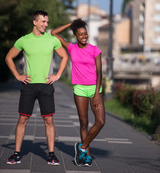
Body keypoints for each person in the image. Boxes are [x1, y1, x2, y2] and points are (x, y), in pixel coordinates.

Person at [5, 10, 68, 165]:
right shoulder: (24, 40)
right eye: (43, 22)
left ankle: (51, 155)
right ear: (35, 22)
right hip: (28, 86)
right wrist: (18, 75)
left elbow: (65, 56)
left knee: (49, 120)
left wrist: (58, 75)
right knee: (22, 119)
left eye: (46, 22)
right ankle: (17, 153)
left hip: (46, 85)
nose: (46, 25)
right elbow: (8, 57)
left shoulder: (52, 40)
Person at [51, 18, 105, 167]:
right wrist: (71, 24)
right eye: (80, 34)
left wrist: (96, 93)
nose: (84, 36)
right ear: (75, 36)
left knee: (100, 121)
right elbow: (53, 32)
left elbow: (100, 73)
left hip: (94, 88)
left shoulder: (95, 50)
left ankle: (81, 147)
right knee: (83, 123)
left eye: (85, 34)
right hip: (79, 88)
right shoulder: (71, 47)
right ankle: (85, 156)